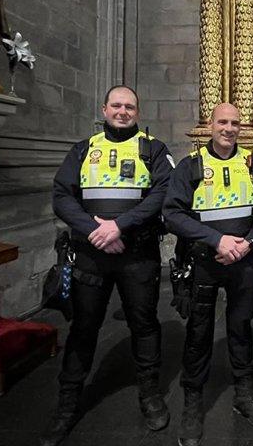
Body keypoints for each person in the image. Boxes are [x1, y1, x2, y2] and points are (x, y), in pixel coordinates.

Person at [40, 85, 175, 446]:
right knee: (84, 327)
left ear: (138, 112)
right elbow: (61, 196)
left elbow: (164, 194)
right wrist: (96, 229)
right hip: (91, 253)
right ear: (104, 109)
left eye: (129, 106)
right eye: (116, 105)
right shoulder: (83, 149)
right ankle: (67, 405)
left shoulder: (154, 149)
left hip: (138, 254)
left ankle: (150, 394)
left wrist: (120, 226)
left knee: (144, 324)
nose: (122, 111)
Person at [162, 103, 253, 446]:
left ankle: (244, 395)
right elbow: (172, 214)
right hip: (204, 262)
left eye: (235, 123)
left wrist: (250, 241)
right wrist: (217, 240)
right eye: (222, 122)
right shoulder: (190, 167)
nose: (229, 128)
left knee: (241, 329)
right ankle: (193, 403)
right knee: (199, 333)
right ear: (211, 125)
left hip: (244, 261)